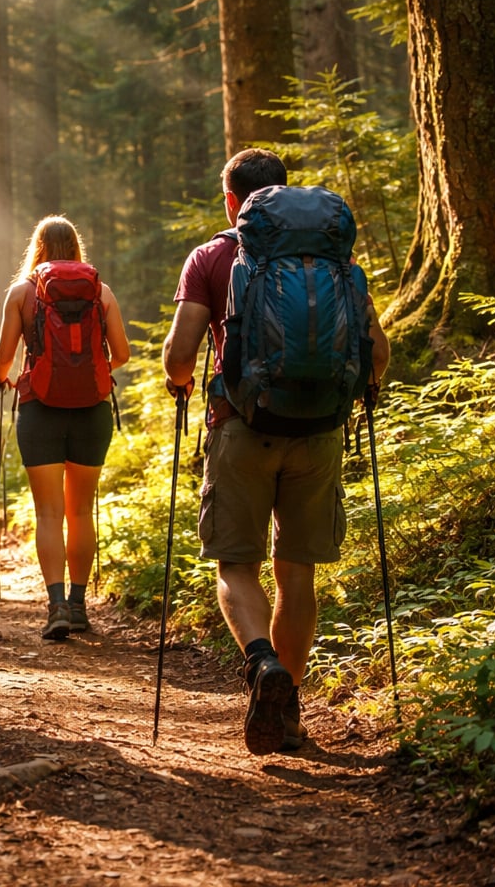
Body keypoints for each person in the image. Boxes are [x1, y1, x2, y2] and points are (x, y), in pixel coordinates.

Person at [161, 147, 390, 755]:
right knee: (298, 572)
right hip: (318, 431)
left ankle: (261, 663)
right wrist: (361, 391)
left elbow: (180, 353)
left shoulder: (211, 257)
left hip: (242, 428)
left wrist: (181, 382)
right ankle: (289, 711)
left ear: (232, 201)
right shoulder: (334, 256)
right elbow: (376, 348)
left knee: (235, 563)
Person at [0, 216, 131, 640]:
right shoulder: (100, 293)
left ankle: (55, 609)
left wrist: (8, 377)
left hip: (40, 410)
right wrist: (89, 372)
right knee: (81, 510)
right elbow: (120, 354)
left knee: (49, 513)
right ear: (76, 249)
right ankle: (79, 603)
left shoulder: (21, 294)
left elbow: (2, 358)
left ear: (37, 248)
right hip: (92, 410)